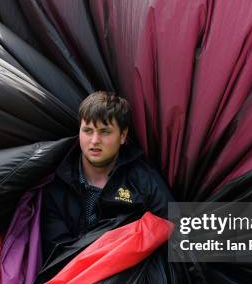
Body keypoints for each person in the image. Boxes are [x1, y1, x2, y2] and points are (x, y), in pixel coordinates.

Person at [40, 91, 174, 261]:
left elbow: (175, 230)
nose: (95, 140)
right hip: (71, 278)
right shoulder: (58, 181)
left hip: (127, 278)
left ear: (123, 136)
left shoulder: (143, 178)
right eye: (88, 130)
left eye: (105, 132)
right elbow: (56, 251)